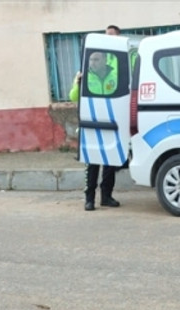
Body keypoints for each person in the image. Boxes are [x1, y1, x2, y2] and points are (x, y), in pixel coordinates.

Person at [70, 25, 122, 211]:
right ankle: (89, 198)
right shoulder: (84, 76)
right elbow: (74, 97)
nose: (92, 62)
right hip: (91, 123)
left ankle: (106, 196)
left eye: (96, 59)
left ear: (105, 60)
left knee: (110, 163)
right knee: (92, 164)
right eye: (90, 59)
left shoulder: (115, 74)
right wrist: (78, 83)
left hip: (110, 122)